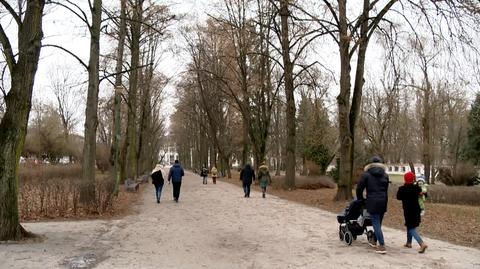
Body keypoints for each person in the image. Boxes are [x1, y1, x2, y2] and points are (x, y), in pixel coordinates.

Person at [356, 156, 389, 254]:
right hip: (383, 201)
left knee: (375, 223)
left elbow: (359, 189)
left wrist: (361, 199)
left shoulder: (366, 175)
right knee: (378, 223)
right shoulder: (385, 175)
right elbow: (386, 190)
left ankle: (382, 246)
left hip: (372, 201)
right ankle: (374, 240)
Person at [397, 171, 428, 253]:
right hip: (417, 210)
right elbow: (422, 193)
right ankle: (409, 243)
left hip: (408, 211)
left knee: (411, 228)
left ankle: (421, 243)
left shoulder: (402, 189)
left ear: (405, 179)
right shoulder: (416, 188)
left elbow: (398, 197)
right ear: (413, 179)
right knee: (409, 225)